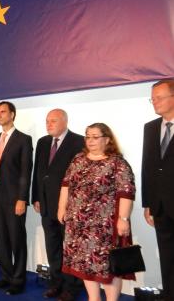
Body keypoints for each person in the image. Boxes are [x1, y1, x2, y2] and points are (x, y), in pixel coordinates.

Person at [58, 123, 135, 301]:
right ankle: (94, 299)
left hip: (103, 227)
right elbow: (66, 185)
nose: (90, 140)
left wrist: (123, 219)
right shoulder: (78, 159)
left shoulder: (117, 162)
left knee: (107, 267)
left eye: (95, 137)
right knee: (85, 265)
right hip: (77, 225)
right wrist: (61, 208)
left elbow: (126, 192)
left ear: (107, 139)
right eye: (87, 136)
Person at [31, 109, 84, 301]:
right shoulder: (43, 142)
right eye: (47, 121)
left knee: (70, 250)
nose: (48, 124)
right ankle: (56, 283)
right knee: (52, 248)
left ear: (65, 121)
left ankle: (72, 288)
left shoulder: (78, 141)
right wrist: (36, 197)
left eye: (53, 121)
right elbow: (38, 172)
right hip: (46, 205)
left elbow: (80, 177)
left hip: (68, 207)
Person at [0, 101, 33, 295]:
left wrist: (22, 198)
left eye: (3, 112)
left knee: (16, 239)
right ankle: (6, 276)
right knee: (2, 239)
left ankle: (18, 280)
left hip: (14, 199)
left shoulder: (23, 139)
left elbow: (25, 171)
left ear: (12, 114)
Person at [142, 79, 174, 298]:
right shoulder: (151, 128)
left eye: (159, 97)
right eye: (152, 98)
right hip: (161, 206)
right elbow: (148, 166)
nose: (154, 102)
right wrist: (148, 203)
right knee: (167, 256)